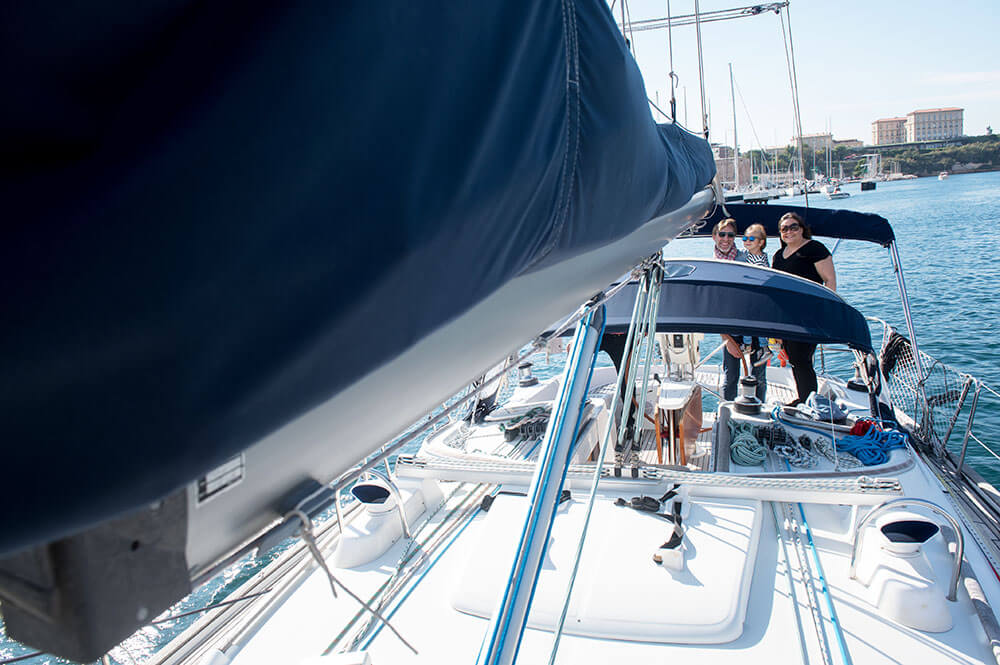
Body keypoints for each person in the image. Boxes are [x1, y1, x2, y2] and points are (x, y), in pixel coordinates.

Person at [771, 212, 837, 405]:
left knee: (802, 358)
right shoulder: (778, 256)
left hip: (809, 313)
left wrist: (825, 309)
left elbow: (829, 280)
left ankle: (809, 401)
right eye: (784, 229)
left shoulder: (814, 248)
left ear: (802, 229)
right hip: (787, 315)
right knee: (794, 358)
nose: (789, 231)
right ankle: (805, 399)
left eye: (793, 227)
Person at [712, 219, 767, 401]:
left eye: (730, 235)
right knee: (730, 378)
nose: (726, 239)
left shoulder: (748, 257)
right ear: (714, 237)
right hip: (730, 330)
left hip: (755, 325)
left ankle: (759, 414)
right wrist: (726, 339)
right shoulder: (711, 266)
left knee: (758, 377)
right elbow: (715, 307)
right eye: (722, 234)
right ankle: (727, 415)